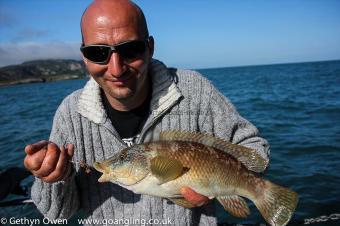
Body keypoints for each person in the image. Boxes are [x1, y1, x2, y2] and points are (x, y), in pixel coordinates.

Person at [23, 0, 270, 225]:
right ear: (84, 57)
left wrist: (226, 183)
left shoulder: (196, 90)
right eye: (98, 53)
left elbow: (254, 150)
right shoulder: (70, 114)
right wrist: (53, 178)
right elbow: (57, 214)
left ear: (150, 47)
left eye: (130, 49)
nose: (116, 68)